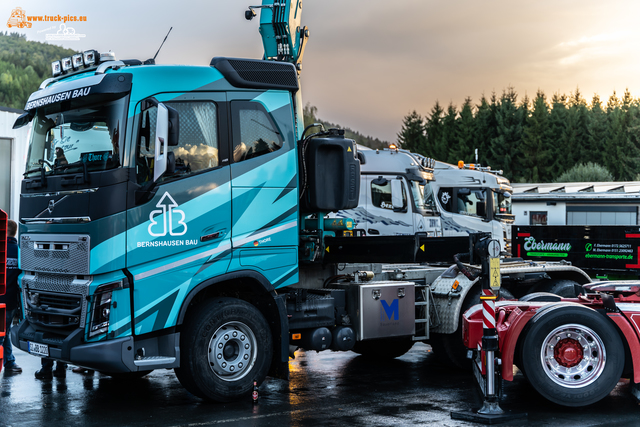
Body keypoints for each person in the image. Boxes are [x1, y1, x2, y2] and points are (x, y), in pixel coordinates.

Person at [1, 219, 22, 373]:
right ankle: (9, 362)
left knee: (3, 333)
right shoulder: (21, 252)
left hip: (1, 299)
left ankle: (9, 362)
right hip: (12, 300)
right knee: (5, 331)